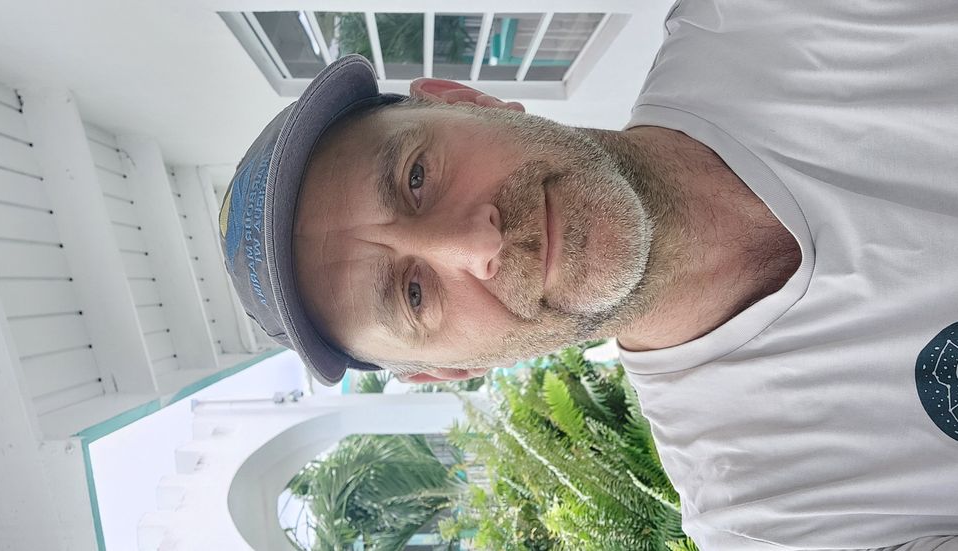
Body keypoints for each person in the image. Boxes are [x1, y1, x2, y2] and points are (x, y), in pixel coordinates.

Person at [218, 1, 958, 548]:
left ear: (464, 101)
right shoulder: (775, 517)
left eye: (417, 176)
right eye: (413, 294)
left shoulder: (775, 17)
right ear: (454, 370)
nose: (475, 245)